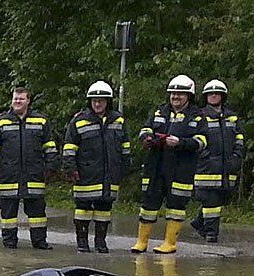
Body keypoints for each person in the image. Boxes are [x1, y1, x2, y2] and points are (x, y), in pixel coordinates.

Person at [131, 74, 208, 254]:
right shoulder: (159, 112)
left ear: (189, 96)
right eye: (173, 94)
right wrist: (147, 138)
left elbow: (202, 141)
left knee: (176, 206)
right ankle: (142, 242)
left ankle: (170, 243)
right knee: (149, 204)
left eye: (180, 94)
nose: (175, 97)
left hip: (181, 168)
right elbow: (145, 129)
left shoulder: (197, 116)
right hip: (156, 165)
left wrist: (180, 142)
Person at [0, 87, 58, 249]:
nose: (17, 101)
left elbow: (50, 148)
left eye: (21, 99)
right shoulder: (1, 121)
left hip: (35, 175)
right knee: (8, 214)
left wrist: (51, 167)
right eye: (15, 98)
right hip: (8, 175)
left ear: (28, 101)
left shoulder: (41, 121)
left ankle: (39, 243)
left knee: (37, 213)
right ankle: (9, 243)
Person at [62, 81, 131, 253]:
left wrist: (125, 166)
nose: (97, 104)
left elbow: (125, 146)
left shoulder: (118, 120)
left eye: (101, 100)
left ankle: (101, 242)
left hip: (109, 173)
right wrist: (70, 169)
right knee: (82, 209)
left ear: (108, 101)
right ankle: (82, 242)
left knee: (104, 209)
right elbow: (69, 147)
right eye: (94, 100)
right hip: (85, 173)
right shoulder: (79, 121)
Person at [190, 79, 245, 243]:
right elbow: (194, 139)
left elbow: (240, 139)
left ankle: (199, 223)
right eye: (210, 94)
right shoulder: (200, 116)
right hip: (206, 168)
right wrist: (204, 155)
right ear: (206, 96)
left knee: (219, 200)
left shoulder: (232, 118)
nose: (213, 96)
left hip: (227, 167)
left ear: (223, 96)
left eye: (217, 93)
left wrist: (237, 157)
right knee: (210, 200)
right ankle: (211, 234)